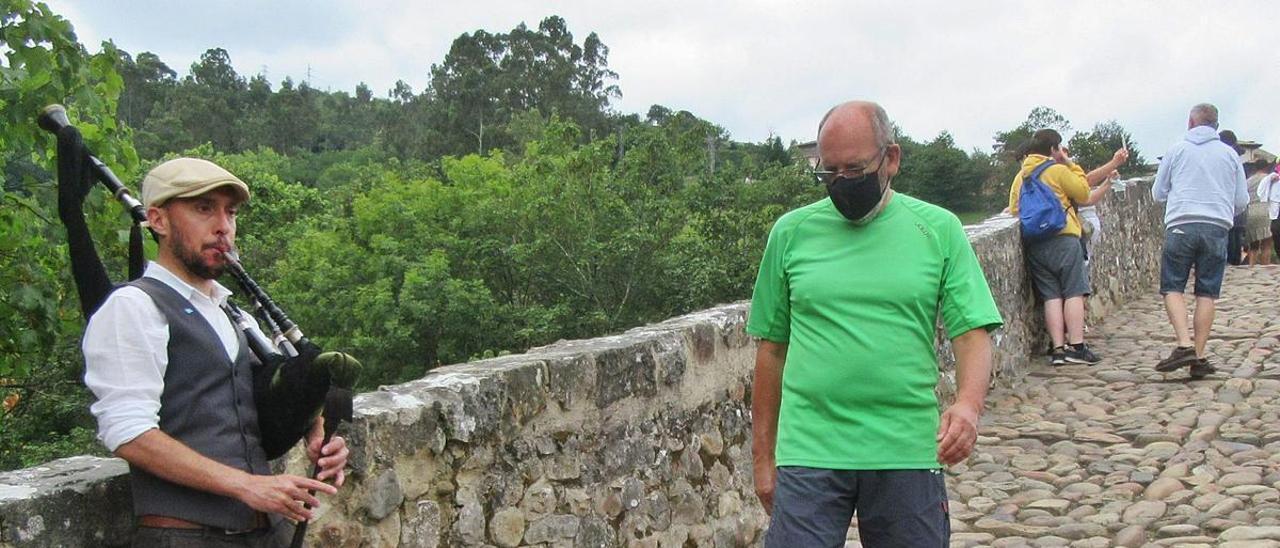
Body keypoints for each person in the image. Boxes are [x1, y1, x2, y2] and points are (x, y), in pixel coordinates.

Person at [748, 101, 1003, 547]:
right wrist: (762, 459)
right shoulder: (791, 234)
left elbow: (971, 331)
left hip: (905, 446)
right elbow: (771, 350)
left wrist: (968, 406)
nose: (843, 182)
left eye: (855, 169)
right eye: (830, 172)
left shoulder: (938, 230)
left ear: (891, 159)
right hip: (810, 448)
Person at [83, 158, 349, 547]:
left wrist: (316, 431)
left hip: (265, 534)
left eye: (231, 212)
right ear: (157, 220)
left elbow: (264, 394)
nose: (223, 226)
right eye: (203, 209)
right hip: (185, 536)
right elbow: (129, 432)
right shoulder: (134, 307)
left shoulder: (230, 312)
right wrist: (247, 486)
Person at [1007, 130, 1128, 366]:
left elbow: (1014, 209)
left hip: (1035, 242)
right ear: (1052, 150)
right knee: (1073, 291)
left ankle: (1058, 349)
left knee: (1051, 296)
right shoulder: (1058, 170)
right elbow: (1083, 193)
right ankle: (1077, 346)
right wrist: (1069, 163)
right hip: (1063, 237)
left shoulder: (1021, 176)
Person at [1152, 103, 1249, 378]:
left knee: (1172, 285)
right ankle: (1199, 355)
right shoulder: (1230, 155)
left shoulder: (1176, 150)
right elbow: (1241, 200)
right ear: (1215, 125)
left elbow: (1158, 193)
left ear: (1190, 123)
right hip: (1216, 227)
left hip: (1181, 224)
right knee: (1207, 292)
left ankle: (1184, 344)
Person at [1219, 130, 1249, 265]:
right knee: (1236, 236)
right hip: (1236, 207)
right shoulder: (1237, 161)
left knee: (1230, 237)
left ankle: (1229, 263)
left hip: (1223, 207)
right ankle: (1234, 263)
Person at [1256, 164, 1280, 261]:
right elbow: (1261, 191)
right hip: (1276, 211)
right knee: (1276, 231)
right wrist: (1270, 178)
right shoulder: (1273, 177)